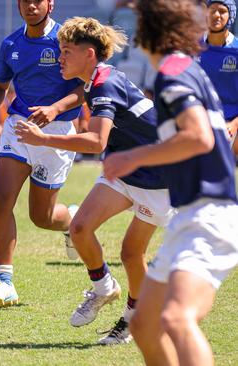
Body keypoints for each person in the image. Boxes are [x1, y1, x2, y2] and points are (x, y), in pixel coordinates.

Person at [16, 17, 174, 345]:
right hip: (125, 170)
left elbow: (97, 142)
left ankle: (134, 318)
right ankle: (104, 288)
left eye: (67, 51)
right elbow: (81, 96)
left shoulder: (105, 84)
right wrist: (57, 108)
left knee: (132, 253)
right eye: (60, 50)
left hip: (159, 178)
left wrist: (43, 140)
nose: (60, 56)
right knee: (79, 228)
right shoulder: (97, 79)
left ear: (89, 54)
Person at [104, 0, 238, 364]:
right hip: (190, 214)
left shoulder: (172, 73)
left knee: (176, 319)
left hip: (208, 215)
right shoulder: (185, 67)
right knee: (145, 325)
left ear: (149, 31)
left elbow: (199, 137)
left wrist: (132, 156)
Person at [0, 0, 84, 308]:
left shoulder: (67, 41)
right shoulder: (10, 43)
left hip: (56, 134)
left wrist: (55, 108)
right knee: (1, 198)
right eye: (24, 0)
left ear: (50, 4)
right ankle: (4, 281)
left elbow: (87, 88)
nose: (30, 5)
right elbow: (0, 86)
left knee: (41, 217)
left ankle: (71, 221)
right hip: (18, 127)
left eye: (37, 0)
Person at [199, 0, 238, 154]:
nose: (216, 15)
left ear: (231, 15)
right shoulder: (192, 48)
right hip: (199, 122)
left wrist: (235, 124)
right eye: (212, 10)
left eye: (222, 11)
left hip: (231, 125)